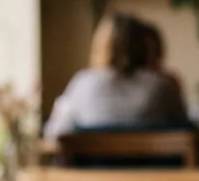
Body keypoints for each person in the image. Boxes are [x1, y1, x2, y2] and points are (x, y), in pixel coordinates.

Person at [43, 13, 189, 139]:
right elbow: (188, 135)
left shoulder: (82, 83)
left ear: (101, 47)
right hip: (153, 172)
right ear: (142, 46)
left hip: (91, 171)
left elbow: (53, 134)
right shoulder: (163, 86)